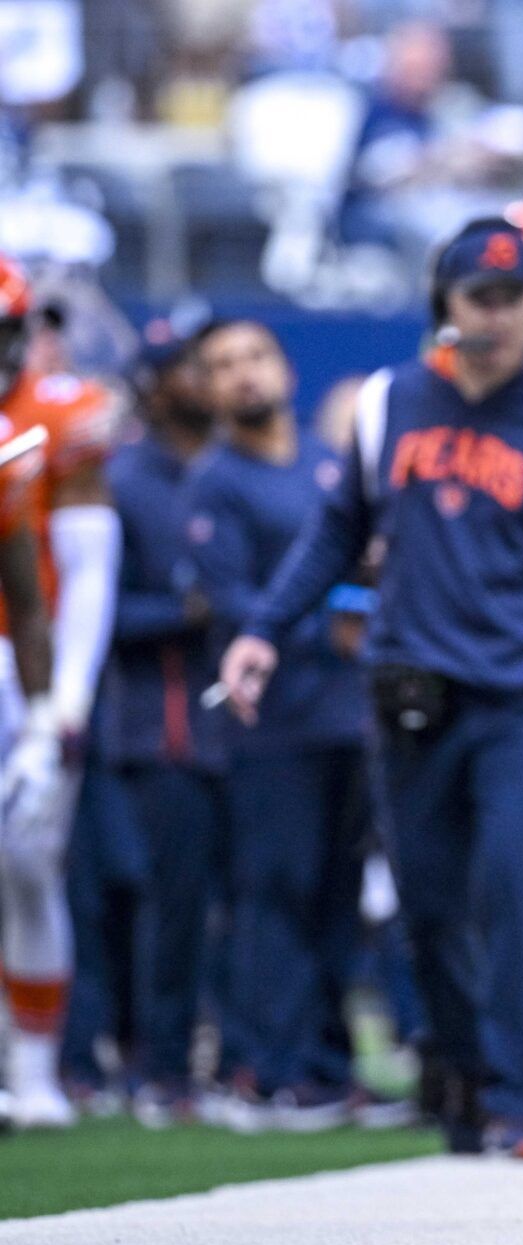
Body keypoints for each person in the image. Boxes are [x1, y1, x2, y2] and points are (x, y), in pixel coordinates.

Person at [219, 217, 523, 1158]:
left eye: (515, 298)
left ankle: (516, 1096)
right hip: (413, 689)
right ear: (445, 304)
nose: (498, 316)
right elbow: (333, 534)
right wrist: (263, 631)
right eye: (480, 297)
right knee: (425, 904)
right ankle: (462, 1072)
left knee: (516, 887)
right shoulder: (390, 405)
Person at [189, 319, 371, 1130]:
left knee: (338, 896)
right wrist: (328, 625)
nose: (243, 375)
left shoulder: (327, 465)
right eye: (223, 365)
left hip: (346, 714)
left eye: (254, 357)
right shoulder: (213, 482)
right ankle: (267, 1068)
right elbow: (229, 604)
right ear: (208, 389)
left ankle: (329, 1066)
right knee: (274, 892)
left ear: (285, 369)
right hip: (271, 722)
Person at [77, 328, 227, 1125]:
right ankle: (156, 1064)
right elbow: (97, 612)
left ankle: (237, 1060)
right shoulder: (125, 479)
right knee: (164, 905)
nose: (203, 380)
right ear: (155, 384)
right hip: (157, 721)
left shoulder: (232, 465)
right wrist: (185, 610)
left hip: (243, 723)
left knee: (253, 898)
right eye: (188, 369)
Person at [0, 254, 120, 1129]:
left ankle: (36, 1073)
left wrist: (59, 714)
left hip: (18, 667)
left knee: (30, 867)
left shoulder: (48, 426)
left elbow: (76, 577)